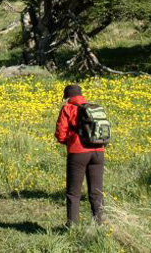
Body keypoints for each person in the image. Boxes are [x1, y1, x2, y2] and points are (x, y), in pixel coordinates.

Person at [55, 83, 104, 227]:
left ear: (67, 97)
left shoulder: (68, 108)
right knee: (96, 191)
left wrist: (67, 142)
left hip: (78, 152)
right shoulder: (94, 108)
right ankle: (99, 225)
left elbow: (61, 133)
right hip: (98, 151)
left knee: (73, 193)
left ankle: (73, 226)